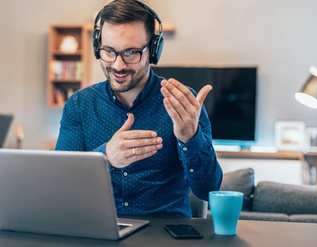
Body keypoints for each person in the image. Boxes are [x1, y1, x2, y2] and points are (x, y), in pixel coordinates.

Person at [55, 0, 222, 217]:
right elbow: (61, 184)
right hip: (98, 230)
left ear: (153, 50)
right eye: (108, 51)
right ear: (98, 47)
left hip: (164, 233)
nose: (117, 65)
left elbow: (209, 191)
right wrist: (105, 157)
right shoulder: (79, 105)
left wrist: (190, 137)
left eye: (131, 52)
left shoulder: (184, 103)